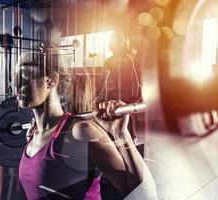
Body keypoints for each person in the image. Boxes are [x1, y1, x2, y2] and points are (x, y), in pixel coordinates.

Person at [15, 46, 157, 200]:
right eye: (15, 76)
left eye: (25, 75)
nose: (16, 85)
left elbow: (143, 196)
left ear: (52, 80)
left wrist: (121, 133)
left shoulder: (81, 132)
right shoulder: (33, 135)